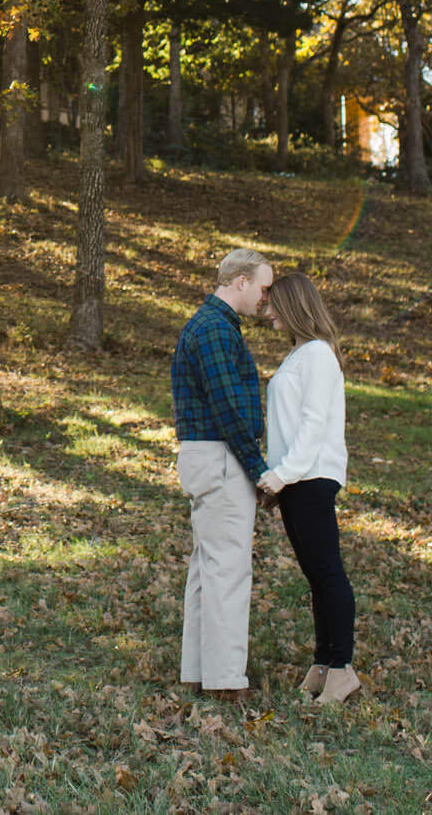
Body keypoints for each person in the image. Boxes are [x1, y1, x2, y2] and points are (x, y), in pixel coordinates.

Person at [170, 246, 274, 701]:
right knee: (228, 570)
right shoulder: (214, 330)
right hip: (220, 457)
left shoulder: (211, 325)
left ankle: (199, 673)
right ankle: (226, 682)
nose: (266, 301)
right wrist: (258, 471)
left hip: (207, 455)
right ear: (241, 282)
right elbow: (228, 409)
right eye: (264, 289)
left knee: (207, 569)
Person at [256, 271, 361, 705]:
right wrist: (279, 479)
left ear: (294, 305)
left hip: (312, 476)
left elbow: (315, 424)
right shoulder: (297, 354)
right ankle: (323, 662)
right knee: (315, 577)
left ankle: (342, 669)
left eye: (273, 303)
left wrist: (283, 474)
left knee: (328, 572)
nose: (267, 311)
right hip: (295, 480)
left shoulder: (317, 354)